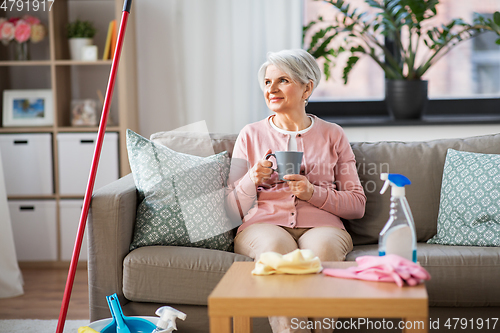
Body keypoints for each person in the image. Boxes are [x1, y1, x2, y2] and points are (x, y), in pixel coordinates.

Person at [226, 49, 366, 333]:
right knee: (277, 252)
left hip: (323, 226)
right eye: (267, 82)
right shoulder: (250, 135)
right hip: (264, 225)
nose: (272, 89)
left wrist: (312, 192)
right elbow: (230, 210)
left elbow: (357, 205)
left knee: (324, 249)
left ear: (307, 88)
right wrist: (252, 179)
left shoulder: (333, 134)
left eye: (283, 81)